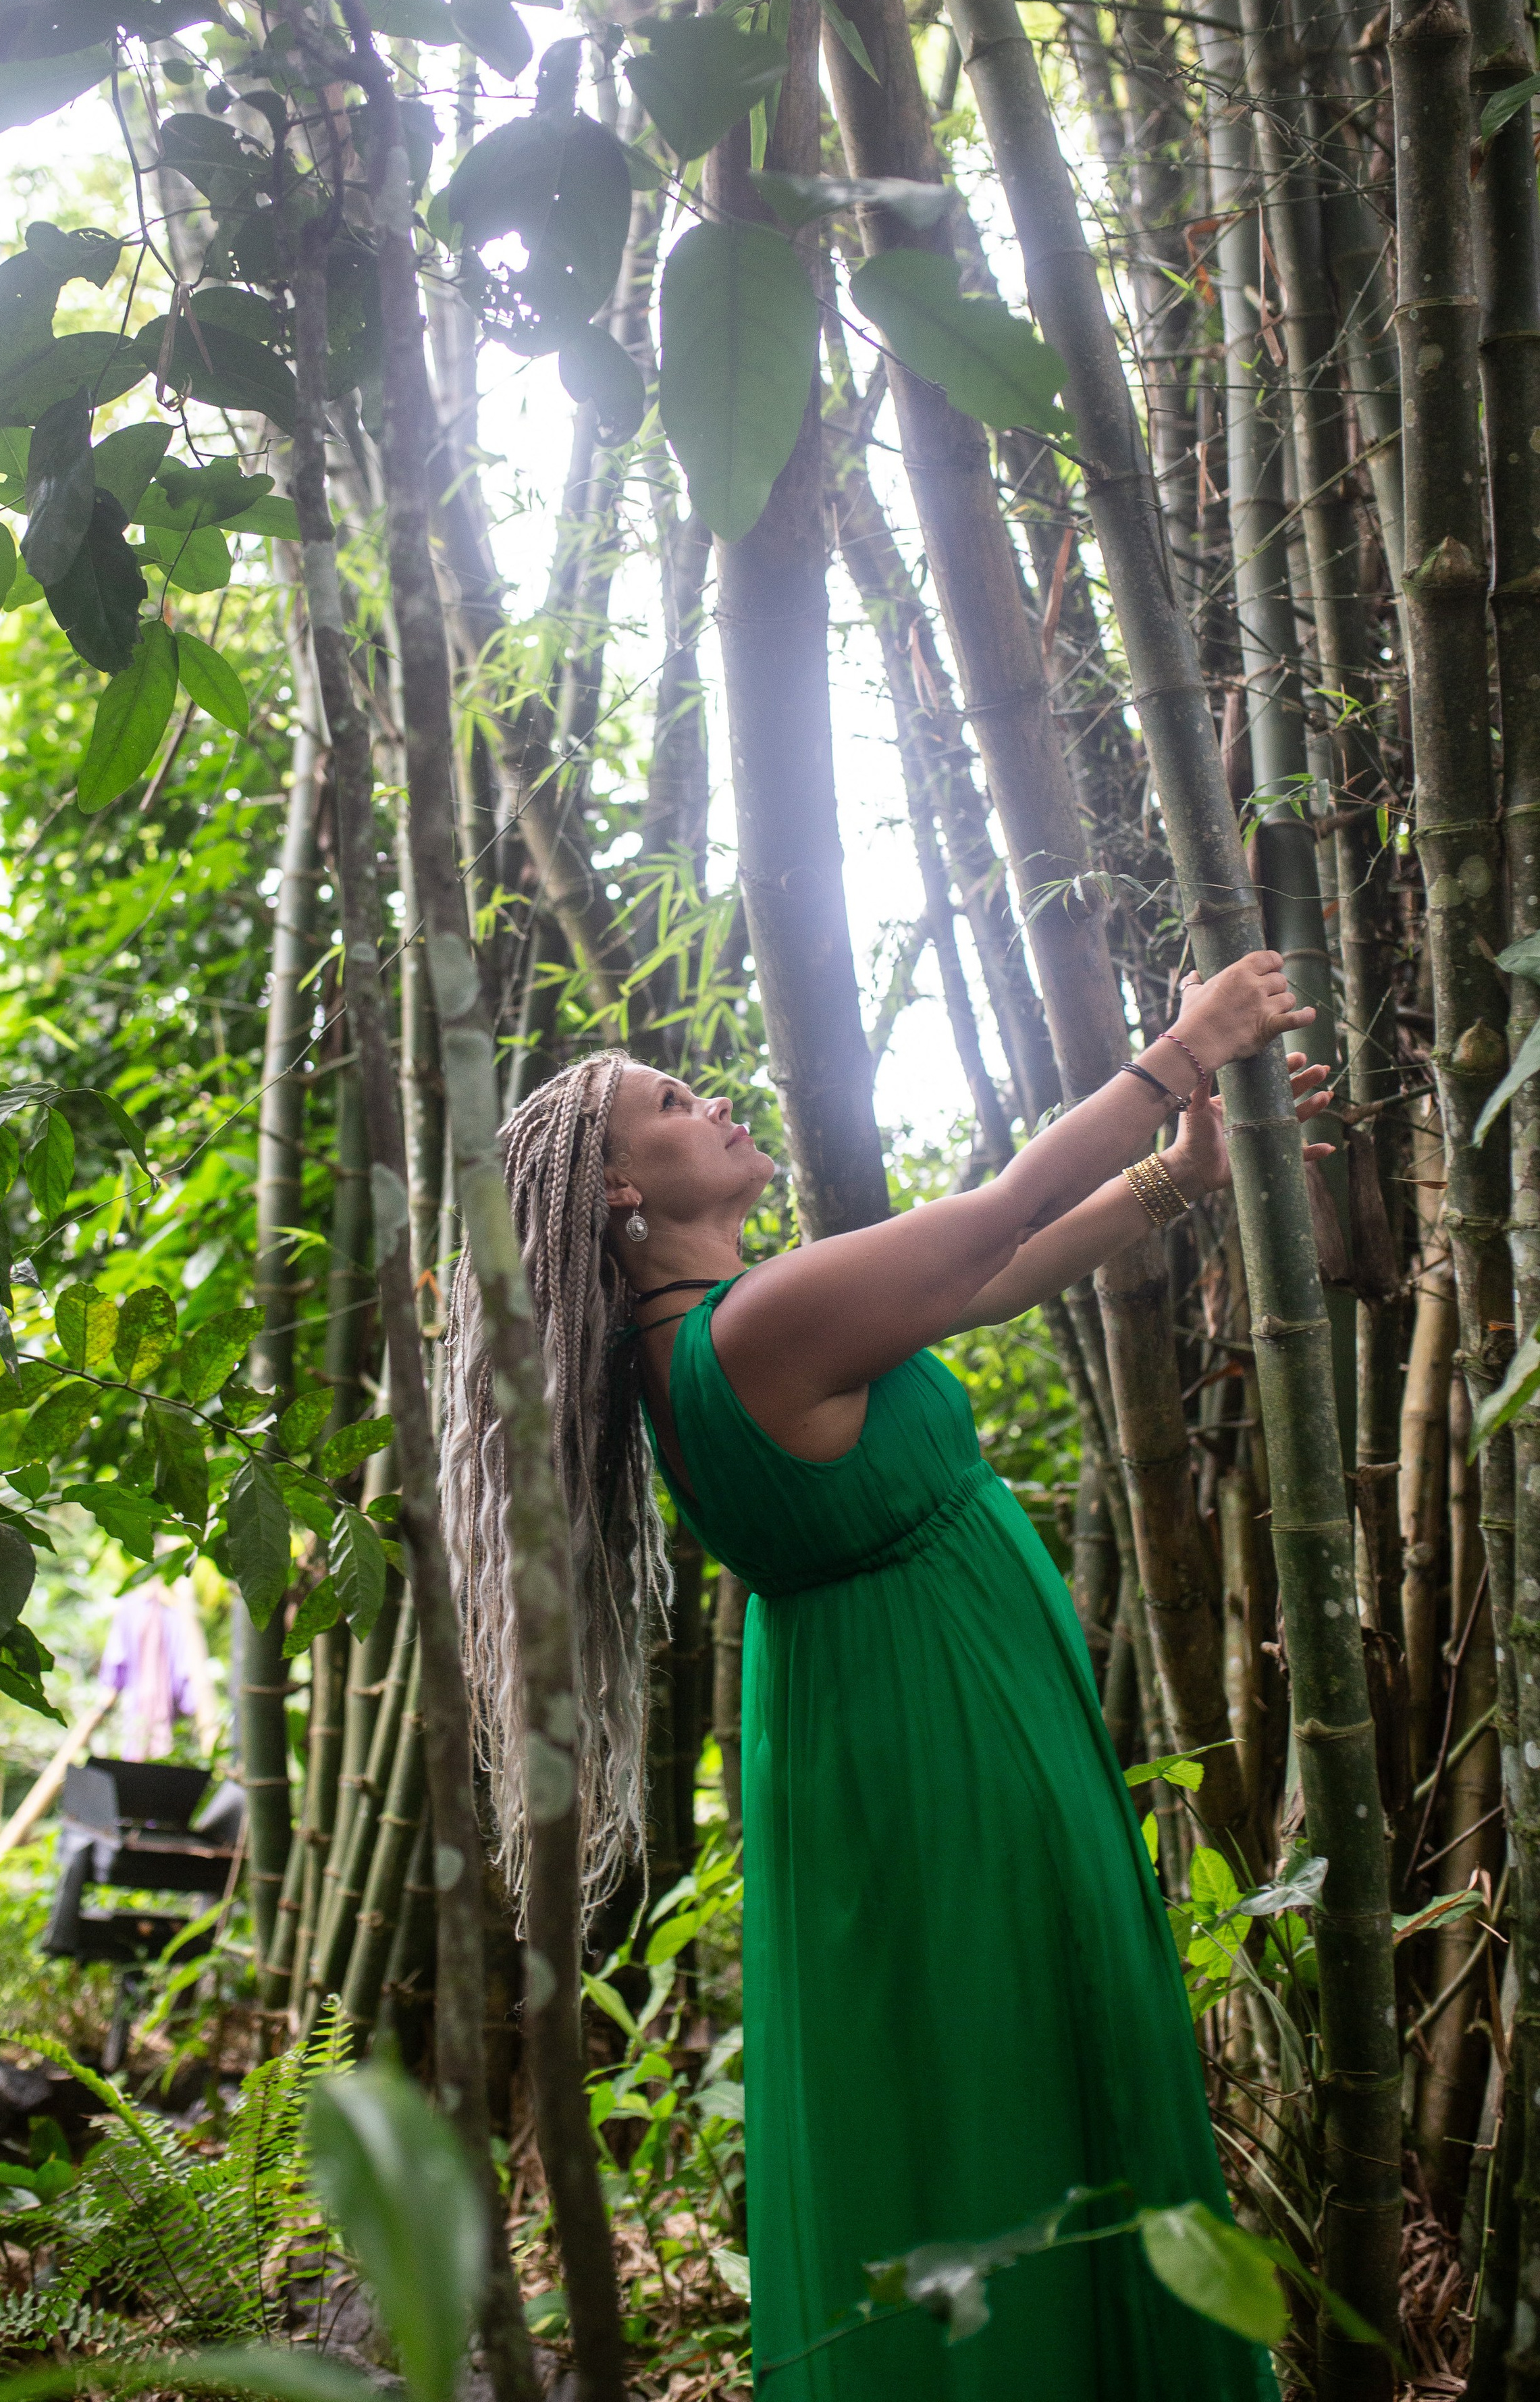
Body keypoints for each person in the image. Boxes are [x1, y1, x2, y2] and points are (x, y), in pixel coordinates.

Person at [442, 949, 1328, 2398]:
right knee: (1013, 2057)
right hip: (944, 1735)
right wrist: (1181, 1050)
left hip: (887, 1722)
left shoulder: (720, 1335)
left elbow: (995, 1272)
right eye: (672, 1102)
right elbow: (991, 1213)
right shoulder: (755, 1327)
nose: (712, 1100)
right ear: (619, 1191)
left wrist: (1183, 1171)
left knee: (960, 2072)